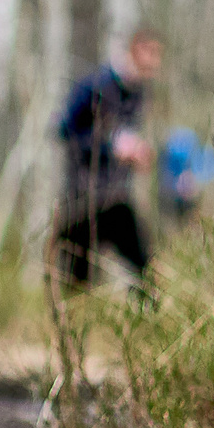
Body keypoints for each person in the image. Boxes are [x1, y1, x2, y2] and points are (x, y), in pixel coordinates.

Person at [53, 30, 162, 293]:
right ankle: (70, 332)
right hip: (84, 200)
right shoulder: (94, 86)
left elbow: (123, 137)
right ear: (136, 51)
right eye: (152, 54)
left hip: (116, 199)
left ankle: (145, 328)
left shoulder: (137, 95)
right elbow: (64, 131)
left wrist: (137, 153)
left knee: (143, 270)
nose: (156, 64)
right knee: (78, 280)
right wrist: (109, 148)